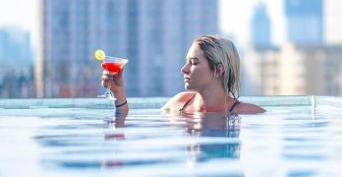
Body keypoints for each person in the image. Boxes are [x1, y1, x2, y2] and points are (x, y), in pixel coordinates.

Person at [101, 35, 265, 115]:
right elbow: (135, 129)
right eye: (187, 62)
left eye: (193, 63)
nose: (184, 69)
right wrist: (119, 93)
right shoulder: (178, 104)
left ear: (219, 70)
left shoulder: (248, 112)